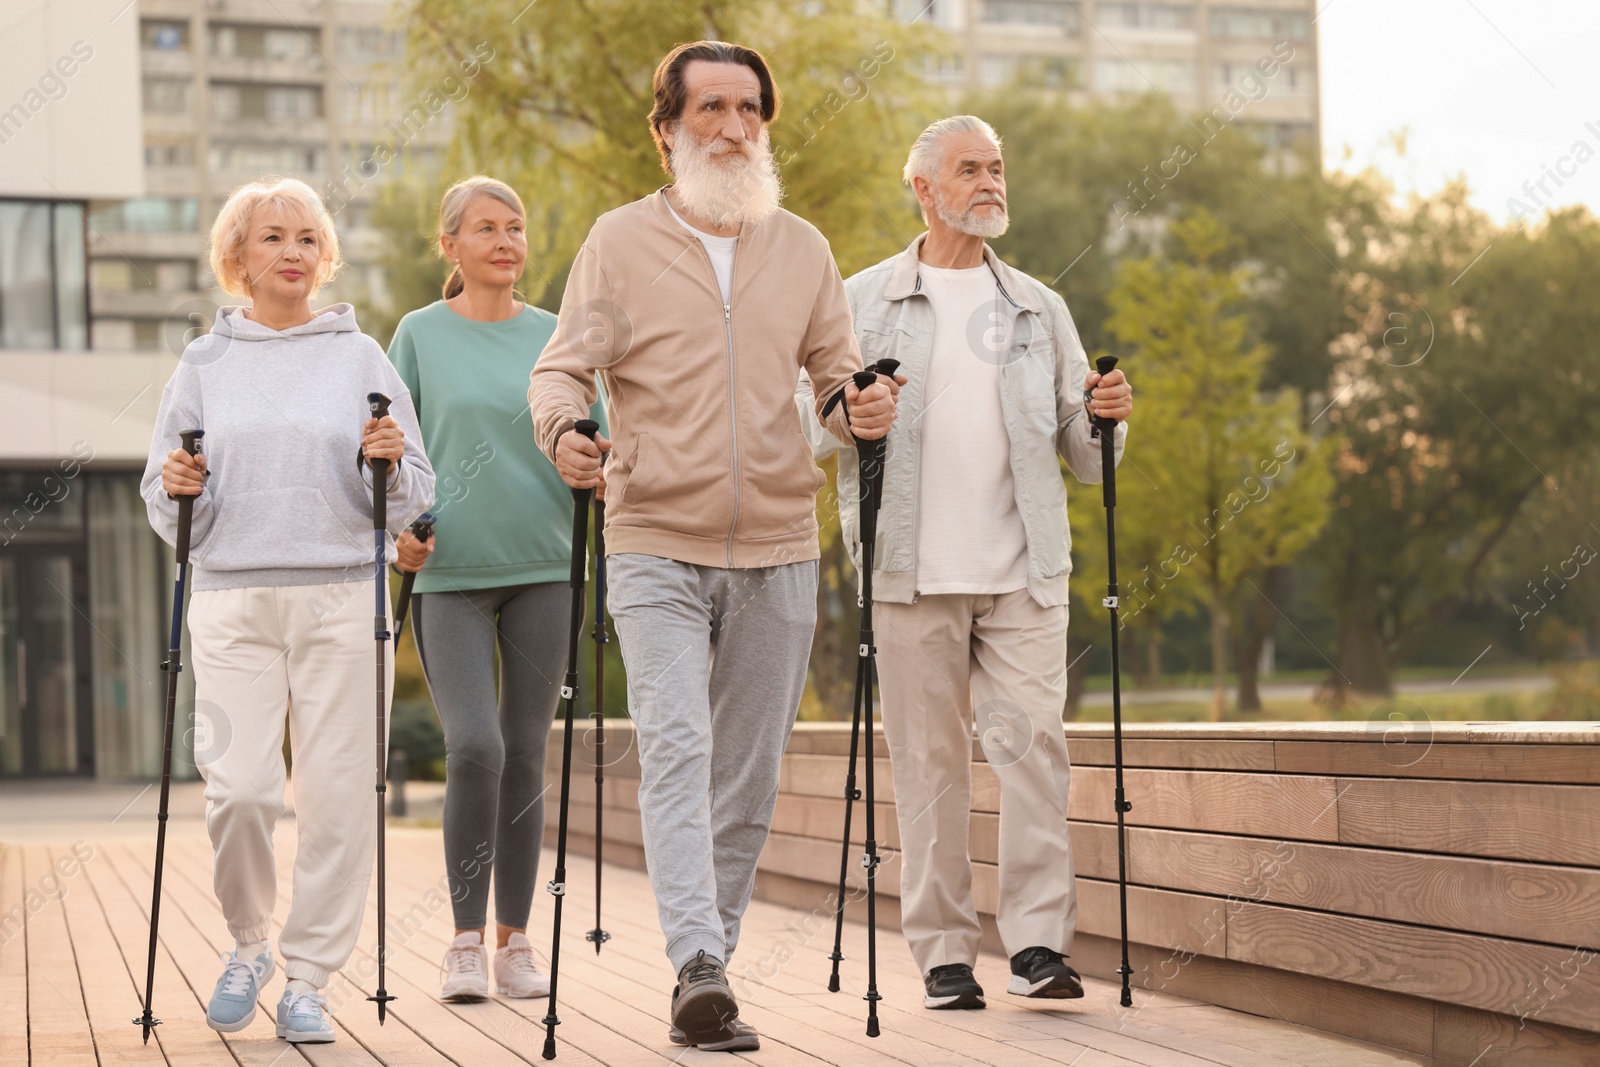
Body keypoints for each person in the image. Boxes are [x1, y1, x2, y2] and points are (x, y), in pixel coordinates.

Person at [528, 40, 898, 1053]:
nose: (735, 129)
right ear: (666, 130)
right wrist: (565, 433)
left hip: (780, 541)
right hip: (653, 537)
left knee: (746, 771)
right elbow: (562, 372)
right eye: (711, 111)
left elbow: (837, 371)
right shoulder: (617, 242)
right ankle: (697, 955)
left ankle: (710, 968)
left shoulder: (802, 248)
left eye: (750, 111)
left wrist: (862, 403)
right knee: (678, 745)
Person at [804, 115, 1133, 1010]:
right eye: (970, 169)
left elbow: (1084, 454)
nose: (991, 181)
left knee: (1033, 753)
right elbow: (803, 424)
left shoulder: (1037, 304)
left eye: (996, 167)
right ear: (923, 187)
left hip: (1025, 571)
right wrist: (848, 413)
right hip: (906, 572)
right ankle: (945, 952)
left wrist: (1107, 414)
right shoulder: (859, 299)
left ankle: (1037, 944)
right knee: (928, 764)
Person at [141, 177, 434, 1043]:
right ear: (239, 258)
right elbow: (166, 497)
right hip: (232, 596)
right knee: (238, 790)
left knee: (340, 795)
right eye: (273, 237)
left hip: (344, 591)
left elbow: (414, 490)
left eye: (308, 237)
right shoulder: (203, 362)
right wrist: (176, 481)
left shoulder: (362, 358)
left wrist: (383, 460)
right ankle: (248, 942)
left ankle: (310, 975)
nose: (294, 252)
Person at [387, 176, 607, 1003]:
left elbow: (601, 441)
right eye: (486, 228)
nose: (506, 241)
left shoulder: (560, 336)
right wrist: (395, 536)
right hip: (449, 574)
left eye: (515, 227)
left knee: (523, 750)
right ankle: (463, 939)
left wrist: (604, 468)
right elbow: (389, 447)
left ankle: (516, 940)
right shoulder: (417, 334)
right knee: (473, 744)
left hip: (547, 567)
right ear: (451, 246)